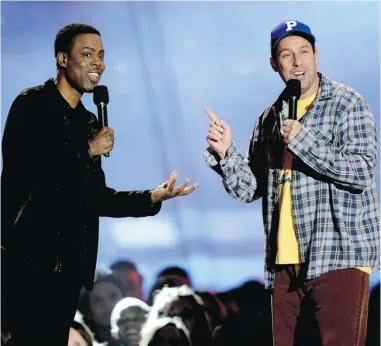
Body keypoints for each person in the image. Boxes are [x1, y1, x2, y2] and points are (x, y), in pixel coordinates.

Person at [1, 23, 198, 346]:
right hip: (27, 260)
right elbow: (27, 175)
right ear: (63, 59)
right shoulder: (32, 105)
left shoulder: (87, 122)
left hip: (67, 269)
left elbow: (95, 198)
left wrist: (151, 197)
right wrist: (87, 150)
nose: (98, 63)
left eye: (102, 56)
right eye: (87, 54)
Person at [203, 19, 379, 346]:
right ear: (274, 64)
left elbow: (362, 171)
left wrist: (305, 142)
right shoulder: (270, 118)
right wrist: (227, 153)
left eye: (304, 52)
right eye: (287, 55)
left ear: (316, 55)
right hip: (284, 264)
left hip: (337, 255)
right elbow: (249, 188)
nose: (297, 62)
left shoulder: (347, 103)